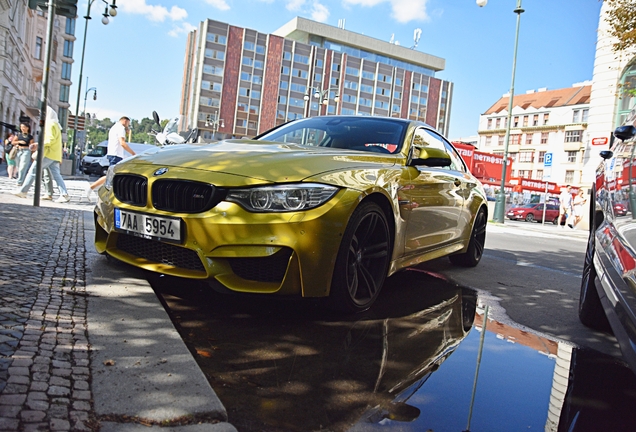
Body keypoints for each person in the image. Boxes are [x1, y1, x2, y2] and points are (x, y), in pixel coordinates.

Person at [12, 109, 71, 203]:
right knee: (56, 175)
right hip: (54, 154)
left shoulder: (50, 124)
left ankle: (23, 191)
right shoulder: (56, 125)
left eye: (43, 113)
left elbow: (50, 140)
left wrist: (38, 144)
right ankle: (64, 194)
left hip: (47, 153)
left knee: (33, 171)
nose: (41, 115)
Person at [86, 116, 135, 198]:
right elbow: (122, 143)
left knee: (112, 176)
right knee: (112, 176)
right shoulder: (121, 128)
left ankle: (105, 193)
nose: (127, 125)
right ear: (124, 121)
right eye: (128, 123)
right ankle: (92, 188)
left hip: (112, 153)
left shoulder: (113, 128)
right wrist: (133, 153)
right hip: (116, 155)